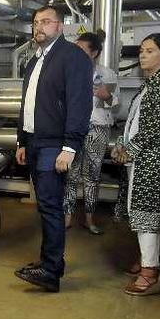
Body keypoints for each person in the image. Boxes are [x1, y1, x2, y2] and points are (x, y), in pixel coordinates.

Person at [13, 5, 94, 293]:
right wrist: (22, 140)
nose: (40, 27)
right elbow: (28, 104)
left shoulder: (73, 57)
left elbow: (80, 104)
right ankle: (51, 263)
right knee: (45, 204)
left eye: (46, 22)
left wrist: (70, 146)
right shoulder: (34, 61)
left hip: (54, 144)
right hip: (34, 142)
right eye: (36, 22)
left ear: (60, 26)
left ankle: (50, 270)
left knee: (49, 205)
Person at [112, 33, 160, 296]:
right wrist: (122, 143)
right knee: (140, 213)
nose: (143, 55)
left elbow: (156, 125)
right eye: (142, 50)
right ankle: (146, 260)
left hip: (152, 161)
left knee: (147, 217)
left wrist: (129, 150)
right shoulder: (149, 84)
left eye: (150, 51)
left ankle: (150, 274)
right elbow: (134, 121)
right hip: (140, 160)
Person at [63, 31, 120, 235]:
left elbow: (115, 103)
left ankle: (89, 219)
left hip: (98, 129)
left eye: (81, 48)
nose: (75, 52)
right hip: (74, 129)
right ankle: (67, 218)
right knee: (70, 174)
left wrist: (106, 95)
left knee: (93, 176)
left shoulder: (107, 74)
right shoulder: (69, 71)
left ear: (94, 52)